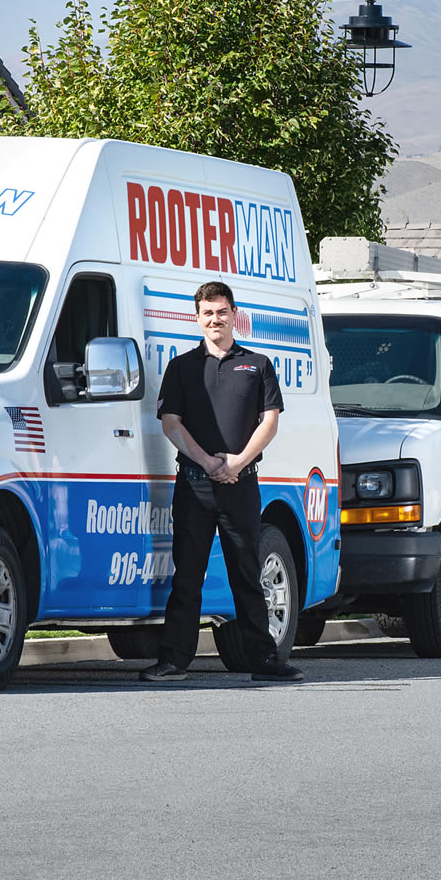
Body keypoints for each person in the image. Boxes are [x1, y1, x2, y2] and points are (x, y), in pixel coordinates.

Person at [140, 282, 303, 683]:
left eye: (222, 311)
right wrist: (208, 462)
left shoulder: (257, 365)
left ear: (235, 315)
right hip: (194, 486)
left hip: (241, 485)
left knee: (247, 573)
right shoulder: (182, 368)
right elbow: (170, 423)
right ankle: (174, 661)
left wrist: (237, 462)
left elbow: (270, 421)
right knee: (187, 576)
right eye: (208, 312)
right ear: (197, 318)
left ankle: (264, 660)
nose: (216, 319)